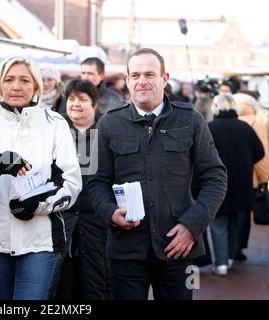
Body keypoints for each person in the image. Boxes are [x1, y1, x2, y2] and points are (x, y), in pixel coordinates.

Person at [88, 48, 227, 300]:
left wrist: (192, 225)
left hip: (182, 250)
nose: (142, 81)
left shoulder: (192, 120)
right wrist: (110, 212)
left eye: (150, 74)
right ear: (128, 80)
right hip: (126, 249)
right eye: (136, 75)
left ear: (164, 79)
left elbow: (215, 177)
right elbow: (97, 183)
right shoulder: (108, 124)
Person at [0, 56, 82, 300]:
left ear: (36, 86)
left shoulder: (55, 125)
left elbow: (71, 183)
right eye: (9, 80)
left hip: (41, 240)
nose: (16, 86)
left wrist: (37, 204)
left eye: (24, 80)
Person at [55, 79, 112, 300]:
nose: (75, 104)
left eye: (82, 99)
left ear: (94, 104)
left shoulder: (106, 133)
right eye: (71, 99)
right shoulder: (58, 135)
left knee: (97, 285)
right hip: (64, 224)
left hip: (98, 226)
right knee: (64, 287)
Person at [208, 94, 264, 276]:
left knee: (218, 222)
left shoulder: (209, 128)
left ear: (215, 107)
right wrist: (246, 162)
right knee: (233, 219)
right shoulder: (245, 128)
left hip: (216, 182)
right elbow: (259, 151)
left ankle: (221, 263)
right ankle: (230, 257)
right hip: (241, 182)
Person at [233, 93, 269, 261]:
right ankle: (238, 247)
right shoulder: (256, 121)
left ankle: (227, 248)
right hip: (249, 176)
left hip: (226, 175)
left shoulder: (228, 119)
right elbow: (263, 154)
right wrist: (265, 178)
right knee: (243, 212)